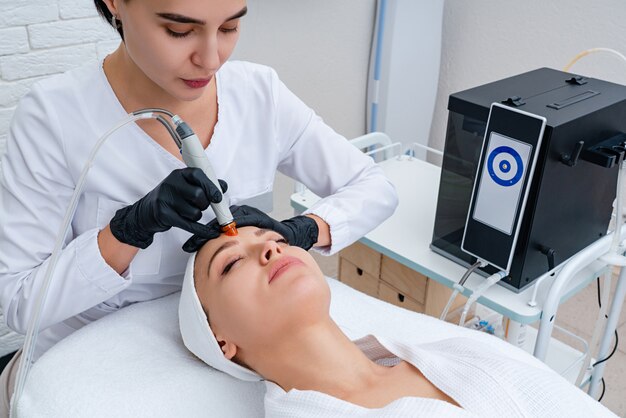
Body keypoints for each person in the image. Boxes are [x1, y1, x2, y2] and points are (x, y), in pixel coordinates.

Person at [0, 0, 397, 413]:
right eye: (179, 31)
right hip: (95, 364)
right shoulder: (54, 116)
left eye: (229, 28)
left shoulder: (259, 95)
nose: (210, 60)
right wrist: (125, 233)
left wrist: (304, 229)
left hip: (231, 354)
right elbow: (19, 305)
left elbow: (374, 187)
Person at [179, 219, 618, 418]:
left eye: (274, 236)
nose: (269, 248)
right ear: (221, 341)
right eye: (230, 265)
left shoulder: (461, 352)